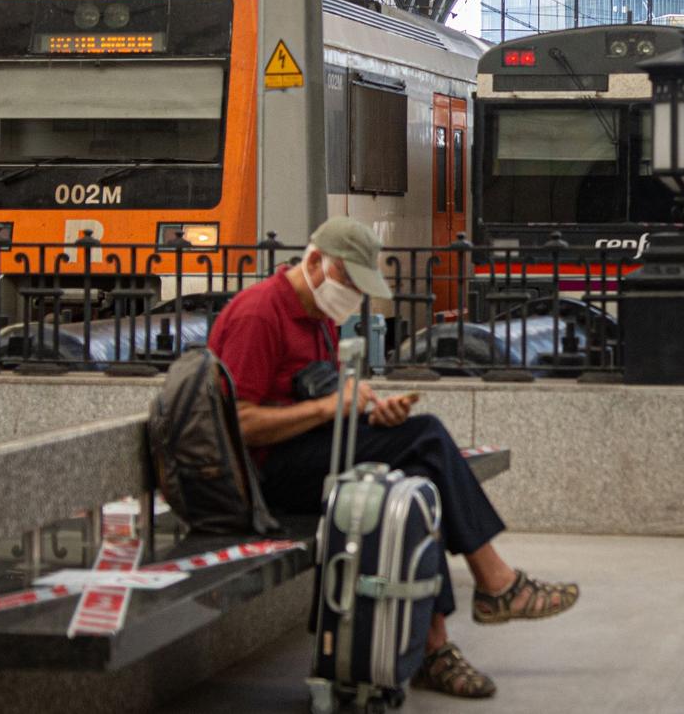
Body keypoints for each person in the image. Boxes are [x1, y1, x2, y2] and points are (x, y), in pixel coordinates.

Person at [208, 216, 577, 699]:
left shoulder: (317, 316)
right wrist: (329, 407)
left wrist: (371, 411)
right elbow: (238, 423)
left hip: (308, 452)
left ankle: (436, 646)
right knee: (426, 436)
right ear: (315, 262)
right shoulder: (260, 314)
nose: (355, 299)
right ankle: (495, 583)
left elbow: (316, 395)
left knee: (417, 472)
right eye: (350, 283)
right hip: (264, 476)